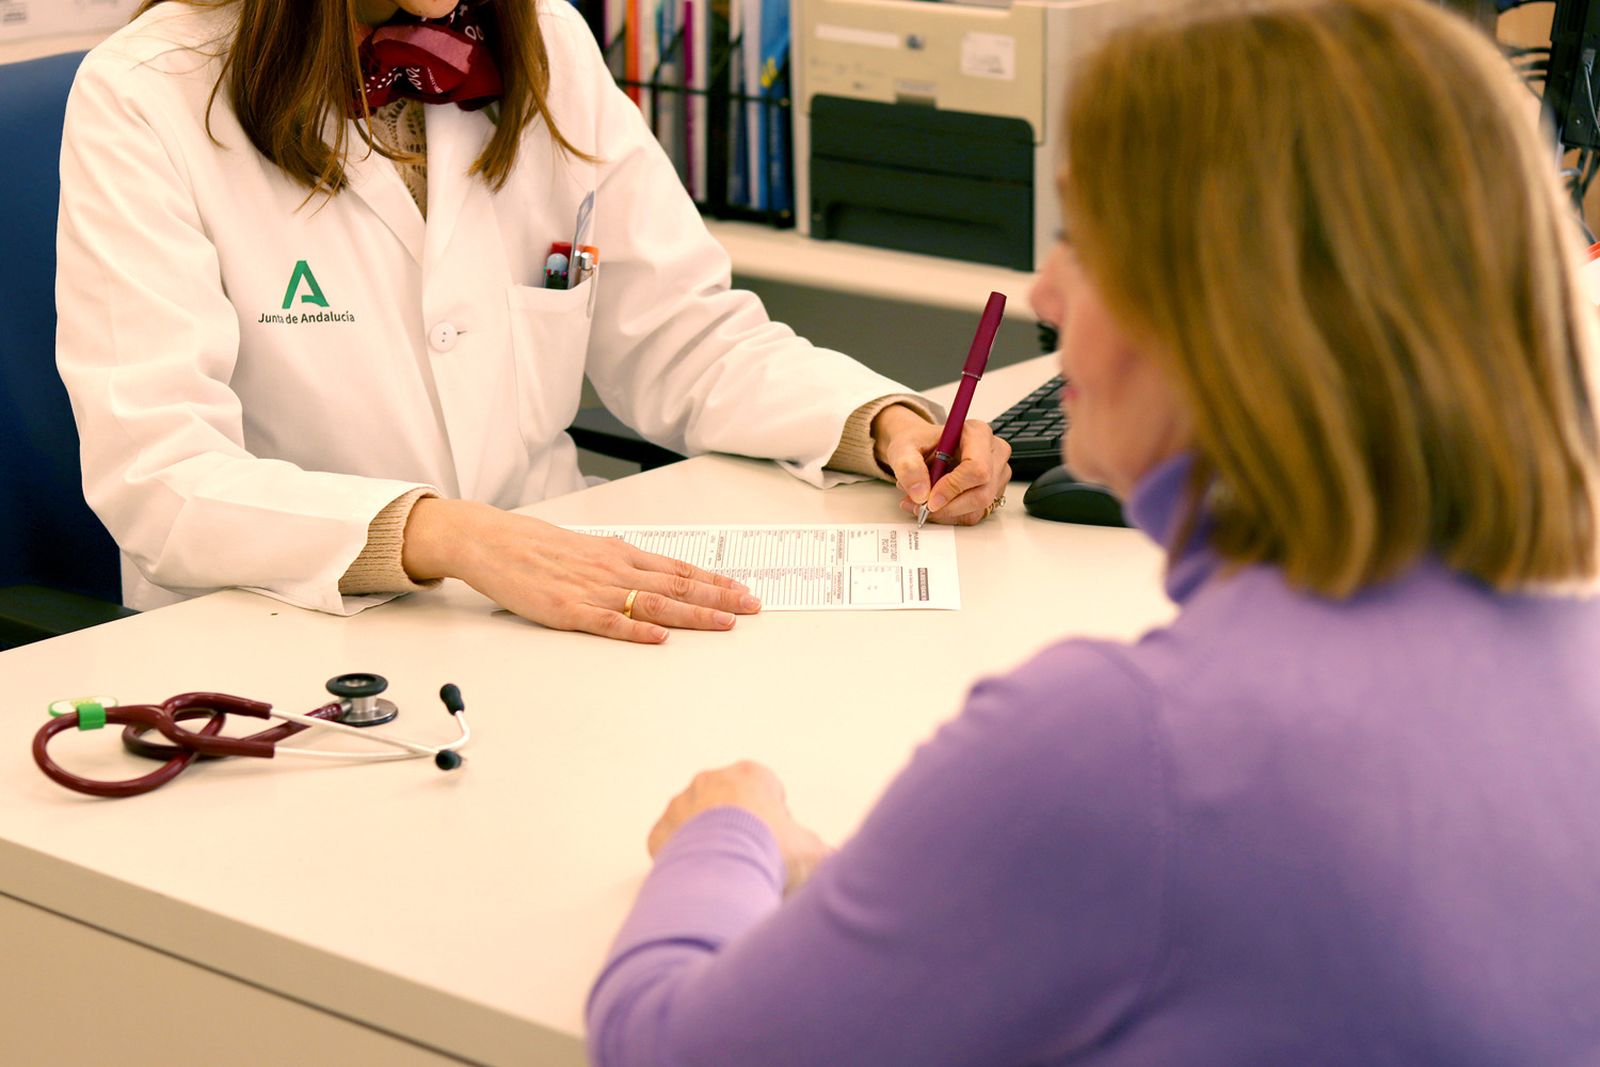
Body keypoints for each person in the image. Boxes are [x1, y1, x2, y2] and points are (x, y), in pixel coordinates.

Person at [586, 0, 1600, 1061]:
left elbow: (670, 1045)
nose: (1044, 290)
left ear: (1234, 300)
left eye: (1085, 235)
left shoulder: (1121, 746)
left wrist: (725, 833)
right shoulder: (1561, 646)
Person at [55, 0, 1010, 644]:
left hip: (546, 609)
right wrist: (453, 535)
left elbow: (685, 334)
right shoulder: (146, 94)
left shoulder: (542, 36)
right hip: (279, 635)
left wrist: (883, 424)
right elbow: (159, 471)